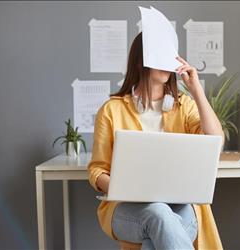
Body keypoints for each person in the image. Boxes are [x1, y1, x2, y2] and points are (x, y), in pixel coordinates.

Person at [87, 32, 224, 250]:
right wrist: (124, 188)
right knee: (158, 212)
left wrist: (196, 90)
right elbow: (97, 170)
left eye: (171, 56)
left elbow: (216, 141)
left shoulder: (184, 106)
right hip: (126, 209)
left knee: (155, 239)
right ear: (141, 60)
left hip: (180, 206)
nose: (168, 63)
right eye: (160, 55)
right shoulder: (111, 110)